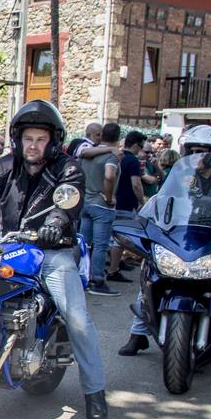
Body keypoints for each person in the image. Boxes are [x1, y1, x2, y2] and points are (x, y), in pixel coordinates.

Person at [0, 100, 108, 419]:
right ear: (18, 139)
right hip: (11, 245)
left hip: (54, 250)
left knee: (77, 318)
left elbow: (67, 200)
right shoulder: (5, 166)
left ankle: (94, 391)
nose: (33, 145)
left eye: (40, 139)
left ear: (52, 141)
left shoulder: (68, 168)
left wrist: (56, 225)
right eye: (28, 138)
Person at [119, 125, 211, 356]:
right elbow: (161, 200)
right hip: (182, 237)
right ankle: (137, 335)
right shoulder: (182, 175)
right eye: (193, 150)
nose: (196, 155)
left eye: (202, 150)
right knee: (150, 277)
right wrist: (146, 220)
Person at [79, 121, 121, 296]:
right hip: (102, 204)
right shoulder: (112, 156)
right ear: (118, 138)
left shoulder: (88, 153)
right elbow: (109, 175)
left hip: (85, 202)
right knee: (100, 245)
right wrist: (109, 196)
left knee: (84, 243)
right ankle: (97, 280)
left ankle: (81, 276)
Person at [105, 130, 147, 283]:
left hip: (110, 201)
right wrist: (142, 200)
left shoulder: (115, 156)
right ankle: (113, 269)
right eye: (141, 146)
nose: (141, 150)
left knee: (108, 236)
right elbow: (136, 184)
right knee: (120, 238)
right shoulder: (132, 161)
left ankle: (113, 264)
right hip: (125, 203)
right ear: (135, 145)